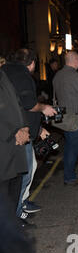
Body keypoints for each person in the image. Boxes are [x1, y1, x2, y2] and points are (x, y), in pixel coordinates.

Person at [2, 49, 57, 223]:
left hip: (18, 131)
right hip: (15, 135)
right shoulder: (21, 75)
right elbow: (28, 104)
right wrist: (43, 109)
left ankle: (20, 205)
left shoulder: (6, 73)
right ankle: (16, 213)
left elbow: (19, 106)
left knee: (24, 170)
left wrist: (36, 128)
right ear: (32, 63)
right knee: (22, 173)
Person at [53, 51, 78, 185]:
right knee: (74, 148)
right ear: (75, 60)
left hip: (64, 117)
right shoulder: (76, 76)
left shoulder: (57, 75)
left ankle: (69, 174)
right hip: (76, 117)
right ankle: (69, 177)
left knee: (70, 146)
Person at [0, 69, 30, 226]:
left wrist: (25, 127)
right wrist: (14, 132)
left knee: (15, 186)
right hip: (4, 143)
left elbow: (18, 103)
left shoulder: (3, 74)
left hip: (16, 143)